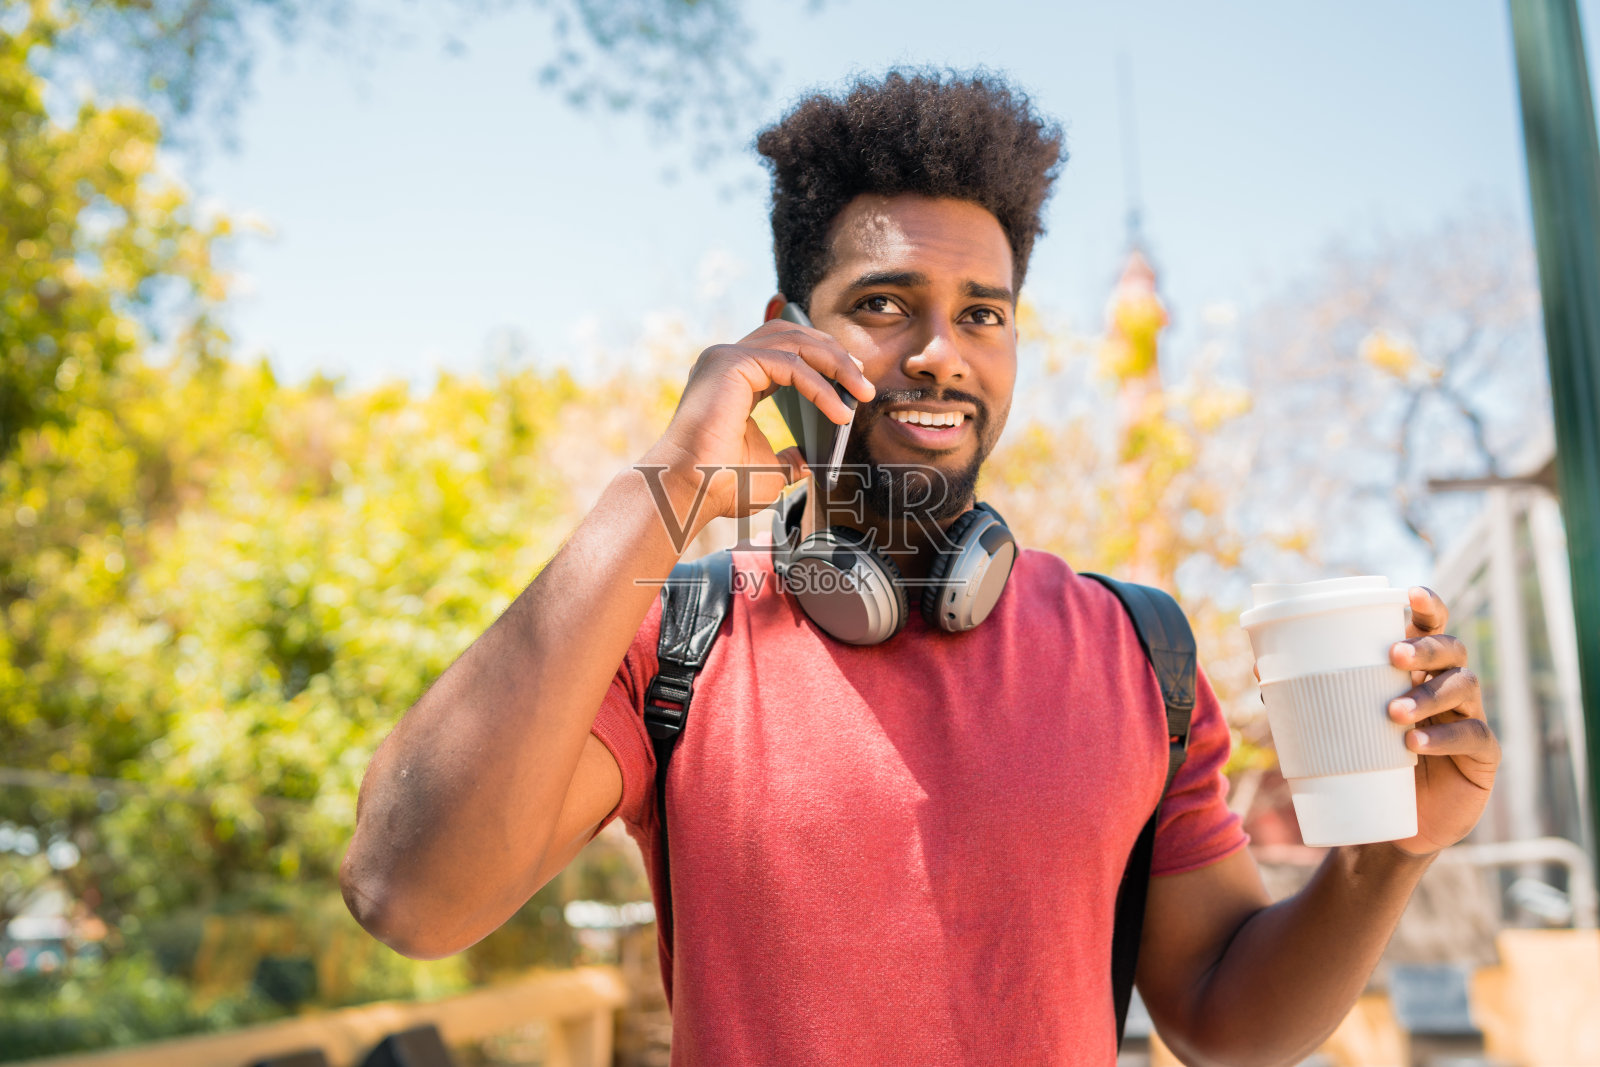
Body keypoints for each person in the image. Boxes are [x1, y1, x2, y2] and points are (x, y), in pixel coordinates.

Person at [340, 70, 1502, 1065]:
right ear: (781, 333)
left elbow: (1221, 1018)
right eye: (884, 304)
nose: (941, 354)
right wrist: (670, 479)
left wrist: (1385, 859)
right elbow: (409, 893)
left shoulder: (1141, 653)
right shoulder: (677, 638)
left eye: (983, 314)